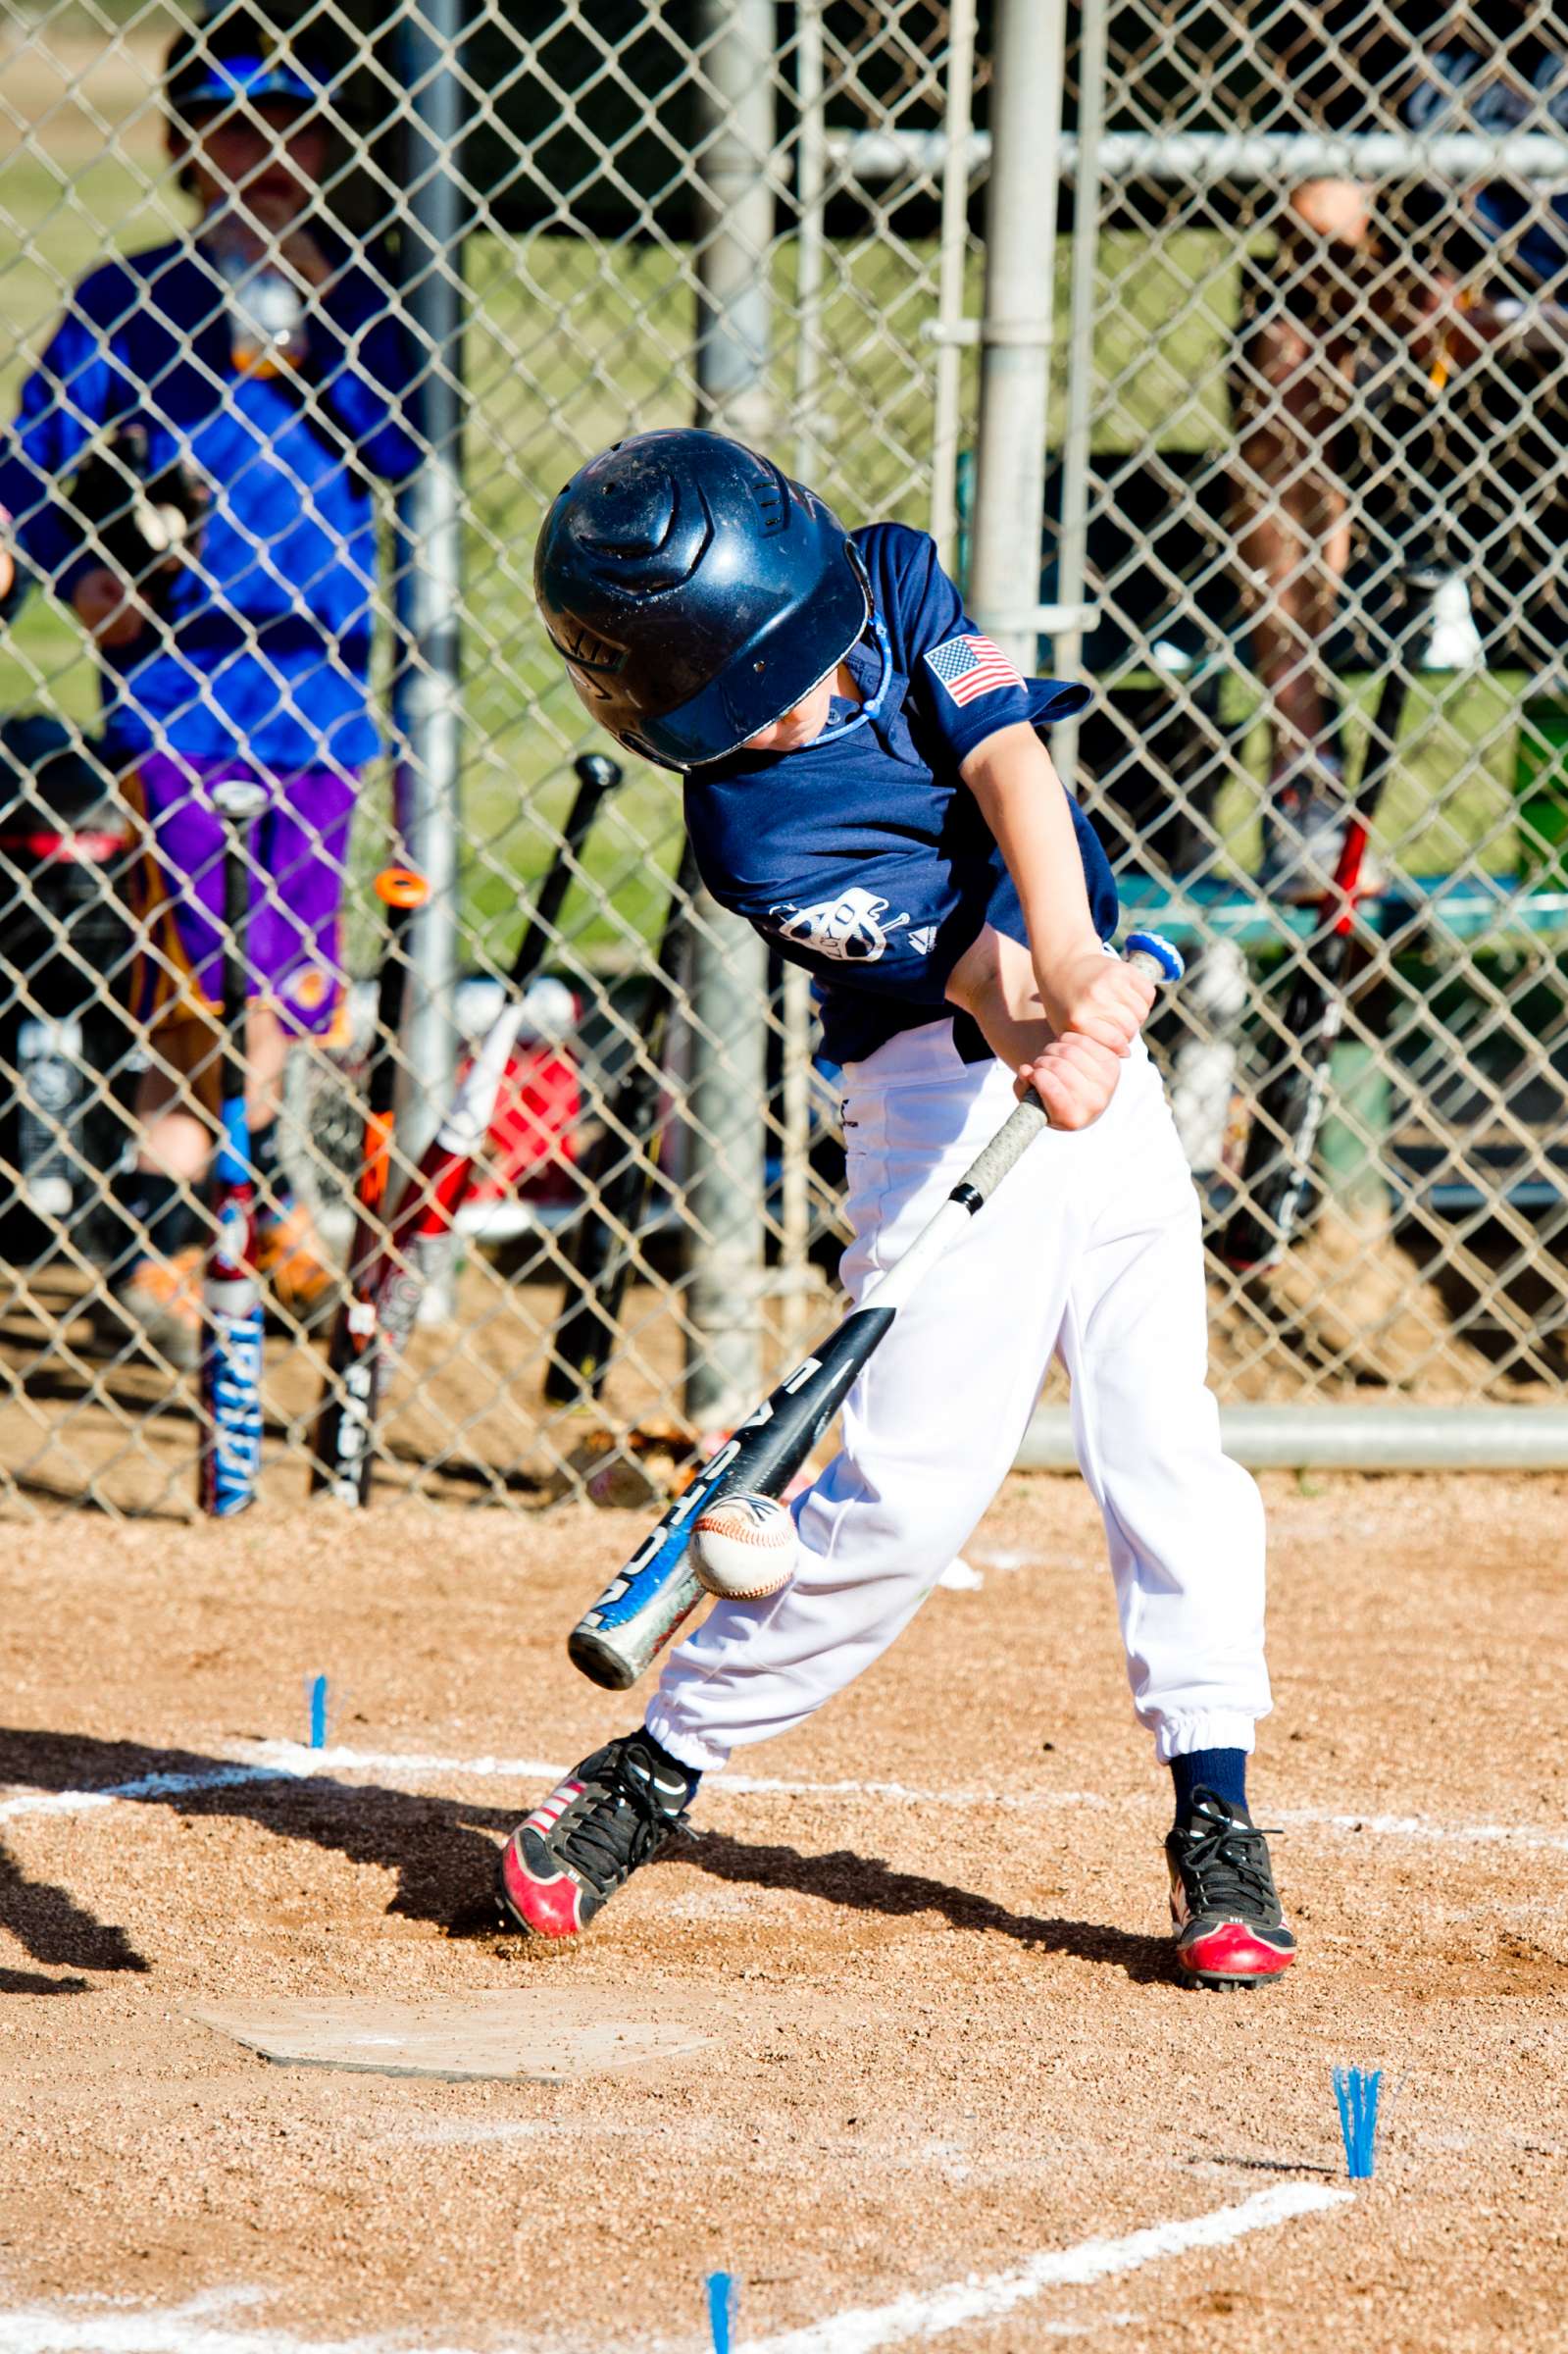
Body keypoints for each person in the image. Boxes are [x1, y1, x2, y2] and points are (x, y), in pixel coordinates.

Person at [500, 429, 1295, 1992]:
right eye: (736, 709)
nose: (786, 714)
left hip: (1092, 1062)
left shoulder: (886, 575)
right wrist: (1041, 1019)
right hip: (938, 1104)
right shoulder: (755, 832)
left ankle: (1217, 1819)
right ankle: (651, 1773)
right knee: (906, 1501)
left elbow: (1011, 767)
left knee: (1166, 1450)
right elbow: (972, 986)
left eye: (793, 670)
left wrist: (1085, 982)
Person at [0, 17, 421, 1365]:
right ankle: (175, 1223)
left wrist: (314, 318)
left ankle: (235, 1205)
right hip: (179, 694)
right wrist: (77, 585)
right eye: (233, 126)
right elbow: (29, 474)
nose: (263, 154)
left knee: (286, 980)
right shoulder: (128, 302)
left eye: (290, 124)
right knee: (193, 966)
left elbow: (403, 443)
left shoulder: (356, 290)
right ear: (186, 146)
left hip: (321, 692)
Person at [1235, 4, 1568, 896]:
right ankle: (1305, 776)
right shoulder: (1385, 29)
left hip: (1548, 363)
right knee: (1282, 347)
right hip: (1414, 357)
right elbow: (1317, 219)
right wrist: (1434, 310)